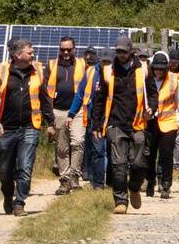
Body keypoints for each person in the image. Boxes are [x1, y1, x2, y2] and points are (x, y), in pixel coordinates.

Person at [0, 38, 54, 217]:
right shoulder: (3, 72)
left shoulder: (38, 72)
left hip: (30, 127)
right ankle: (8, 196)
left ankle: (20, 203)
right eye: (30, 52)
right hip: (6, 129)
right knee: (5, 169)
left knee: (25, 167)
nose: (33, 55)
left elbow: (45, 99)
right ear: (18, 55)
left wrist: (51, 123)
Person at [89, 36, 147, 215]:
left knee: (139, 162)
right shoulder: (108, 71)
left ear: (131, 51)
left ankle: (134, 187)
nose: (120, 54)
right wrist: (97, 124)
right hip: (115, 123)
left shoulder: (144, 69)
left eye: (124, 51)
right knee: (118, 164)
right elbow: (99, 99)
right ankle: (120, 199)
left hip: (138, 123)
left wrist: (152, 106)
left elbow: (151, 92)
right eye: (118, 51)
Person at [46, 36, 93, 194]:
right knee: (62, 147)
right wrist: (49, 119)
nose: (65, 52)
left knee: (78, 142)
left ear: (74, 49)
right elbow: (45, 92)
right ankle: (64, 180)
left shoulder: (83, 64)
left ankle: (75, 175)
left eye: (69, 49)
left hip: (78, 110)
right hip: (58, 110)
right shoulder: (52, 65)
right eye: (62, 49)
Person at [143, 50, 179, 200]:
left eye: (162, 68)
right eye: (156, 68)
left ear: (166, 68)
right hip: (151, 122)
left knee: (166, 155)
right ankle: (150, 182)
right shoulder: (146, 79)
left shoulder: (174, 80)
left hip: (169, 123)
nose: (159, 71)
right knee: (150, 154)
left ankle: (166, 184)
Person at [82, 48, 109, 187]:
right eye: (104, 62)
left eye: (108, 62)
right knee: (97, 151)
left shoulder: (118, 74)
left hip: (112, 119)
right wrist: (72, 114)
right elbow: (81, 94)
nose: (106, 65)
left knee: (111, 152)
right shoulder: (92, 72)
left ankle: (110, 181)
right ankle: (97, 183)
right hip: (96, 118)